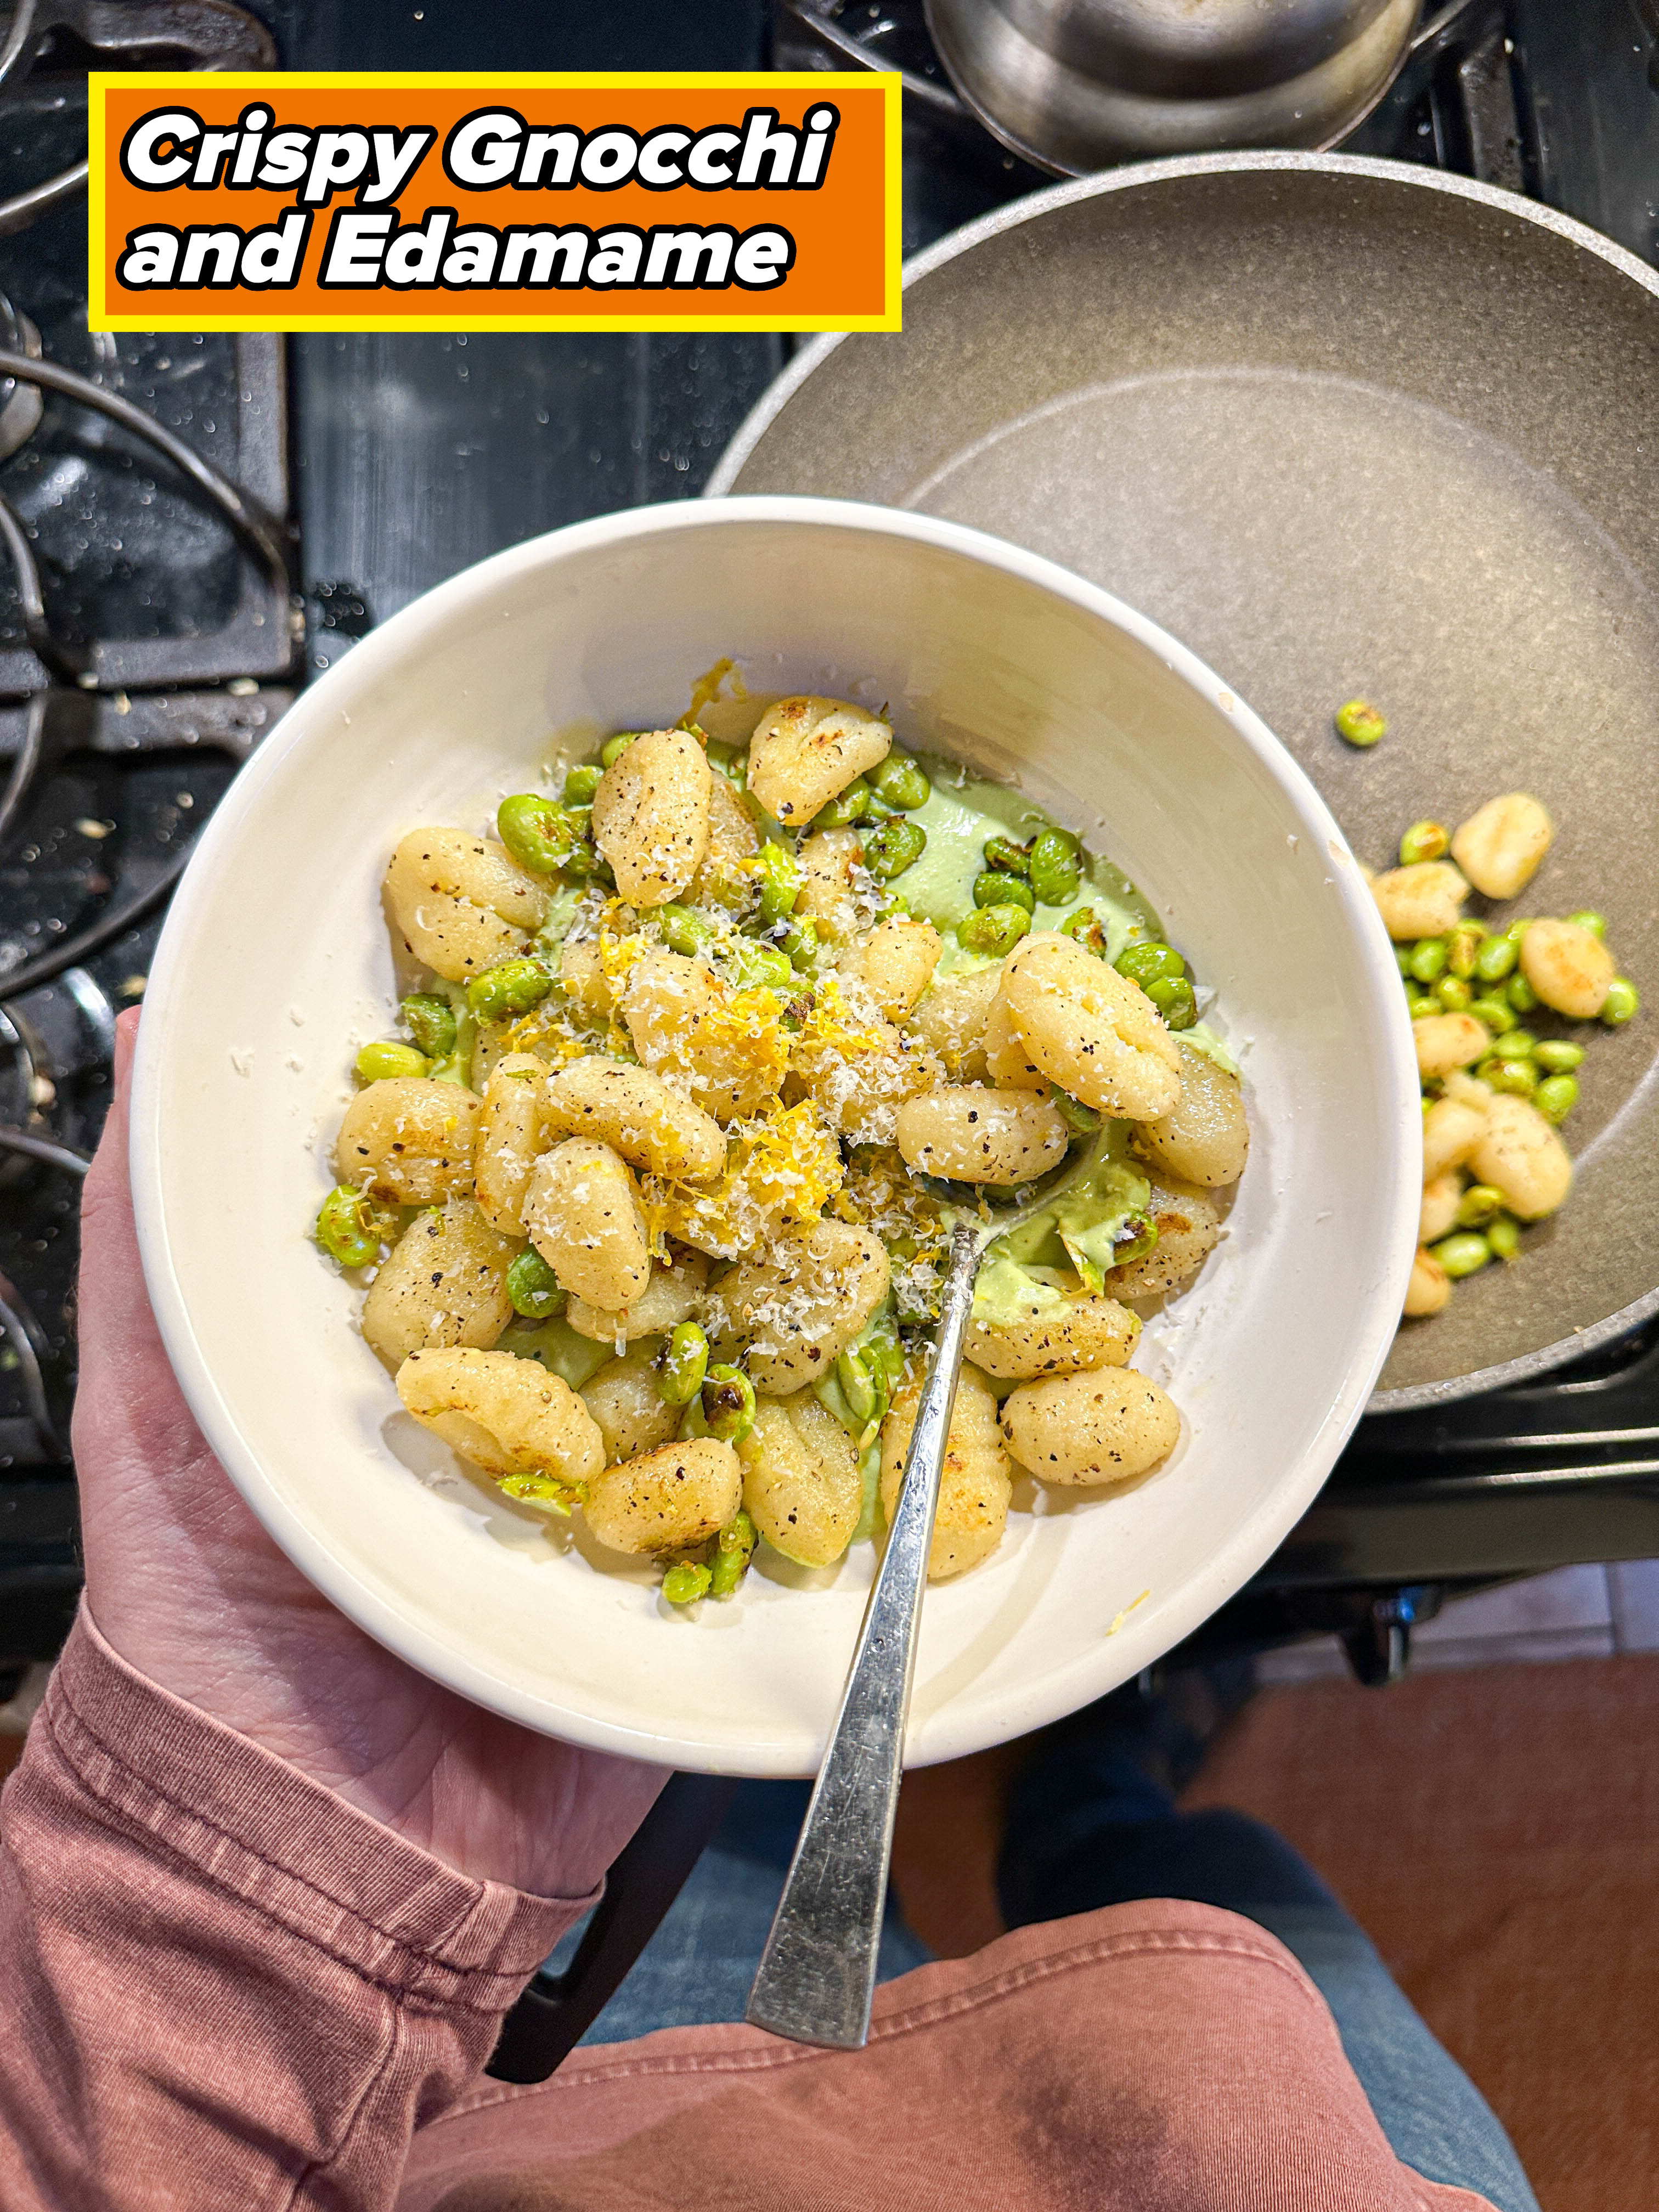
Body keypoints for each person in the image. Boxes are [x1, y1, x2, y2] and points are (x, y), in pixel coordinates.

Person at [0, 1012, 1541, 2211]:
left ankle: (1080, 1766)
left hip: (578, 2138)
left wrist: (237, 1890)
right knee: (1224, 1903)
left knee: (735, 1850)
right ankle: (1103, 1786)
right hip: (1265, 2165)